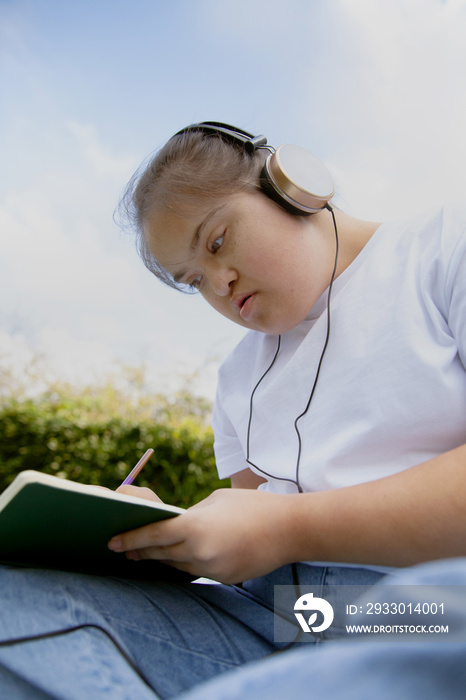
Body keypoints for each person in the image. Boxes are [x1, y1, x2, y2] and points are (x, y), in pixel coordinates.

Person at [0, 122, 465, 698]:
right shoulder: (236, 378)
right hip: (268, 622)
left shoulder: (446, 247)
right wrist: (169, 541)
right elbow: (250, 541)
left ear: (293, 187)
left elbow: (275, 529)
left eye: (217, 241)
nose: (219, 284)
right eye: (192, 279)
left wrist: (288, 528)